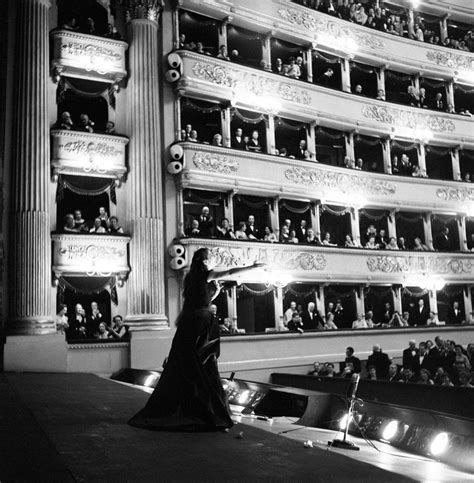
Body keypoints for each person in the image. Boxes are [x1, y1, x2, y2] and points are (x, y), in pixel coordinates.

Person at [129, 248, 265, 431]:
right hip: (201, 325)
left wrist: (214, 293)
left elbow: (200, 300)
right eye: (212, 258)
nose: (214, 260)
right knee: (204, 365)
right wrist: (252, 267)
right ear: (205, 261)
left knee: (186, 365)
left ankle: (187, 409)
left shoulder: (190, 278)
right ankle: (205, 413)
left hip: (189, 324)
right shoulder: (207, 274)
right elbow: (230, 272)